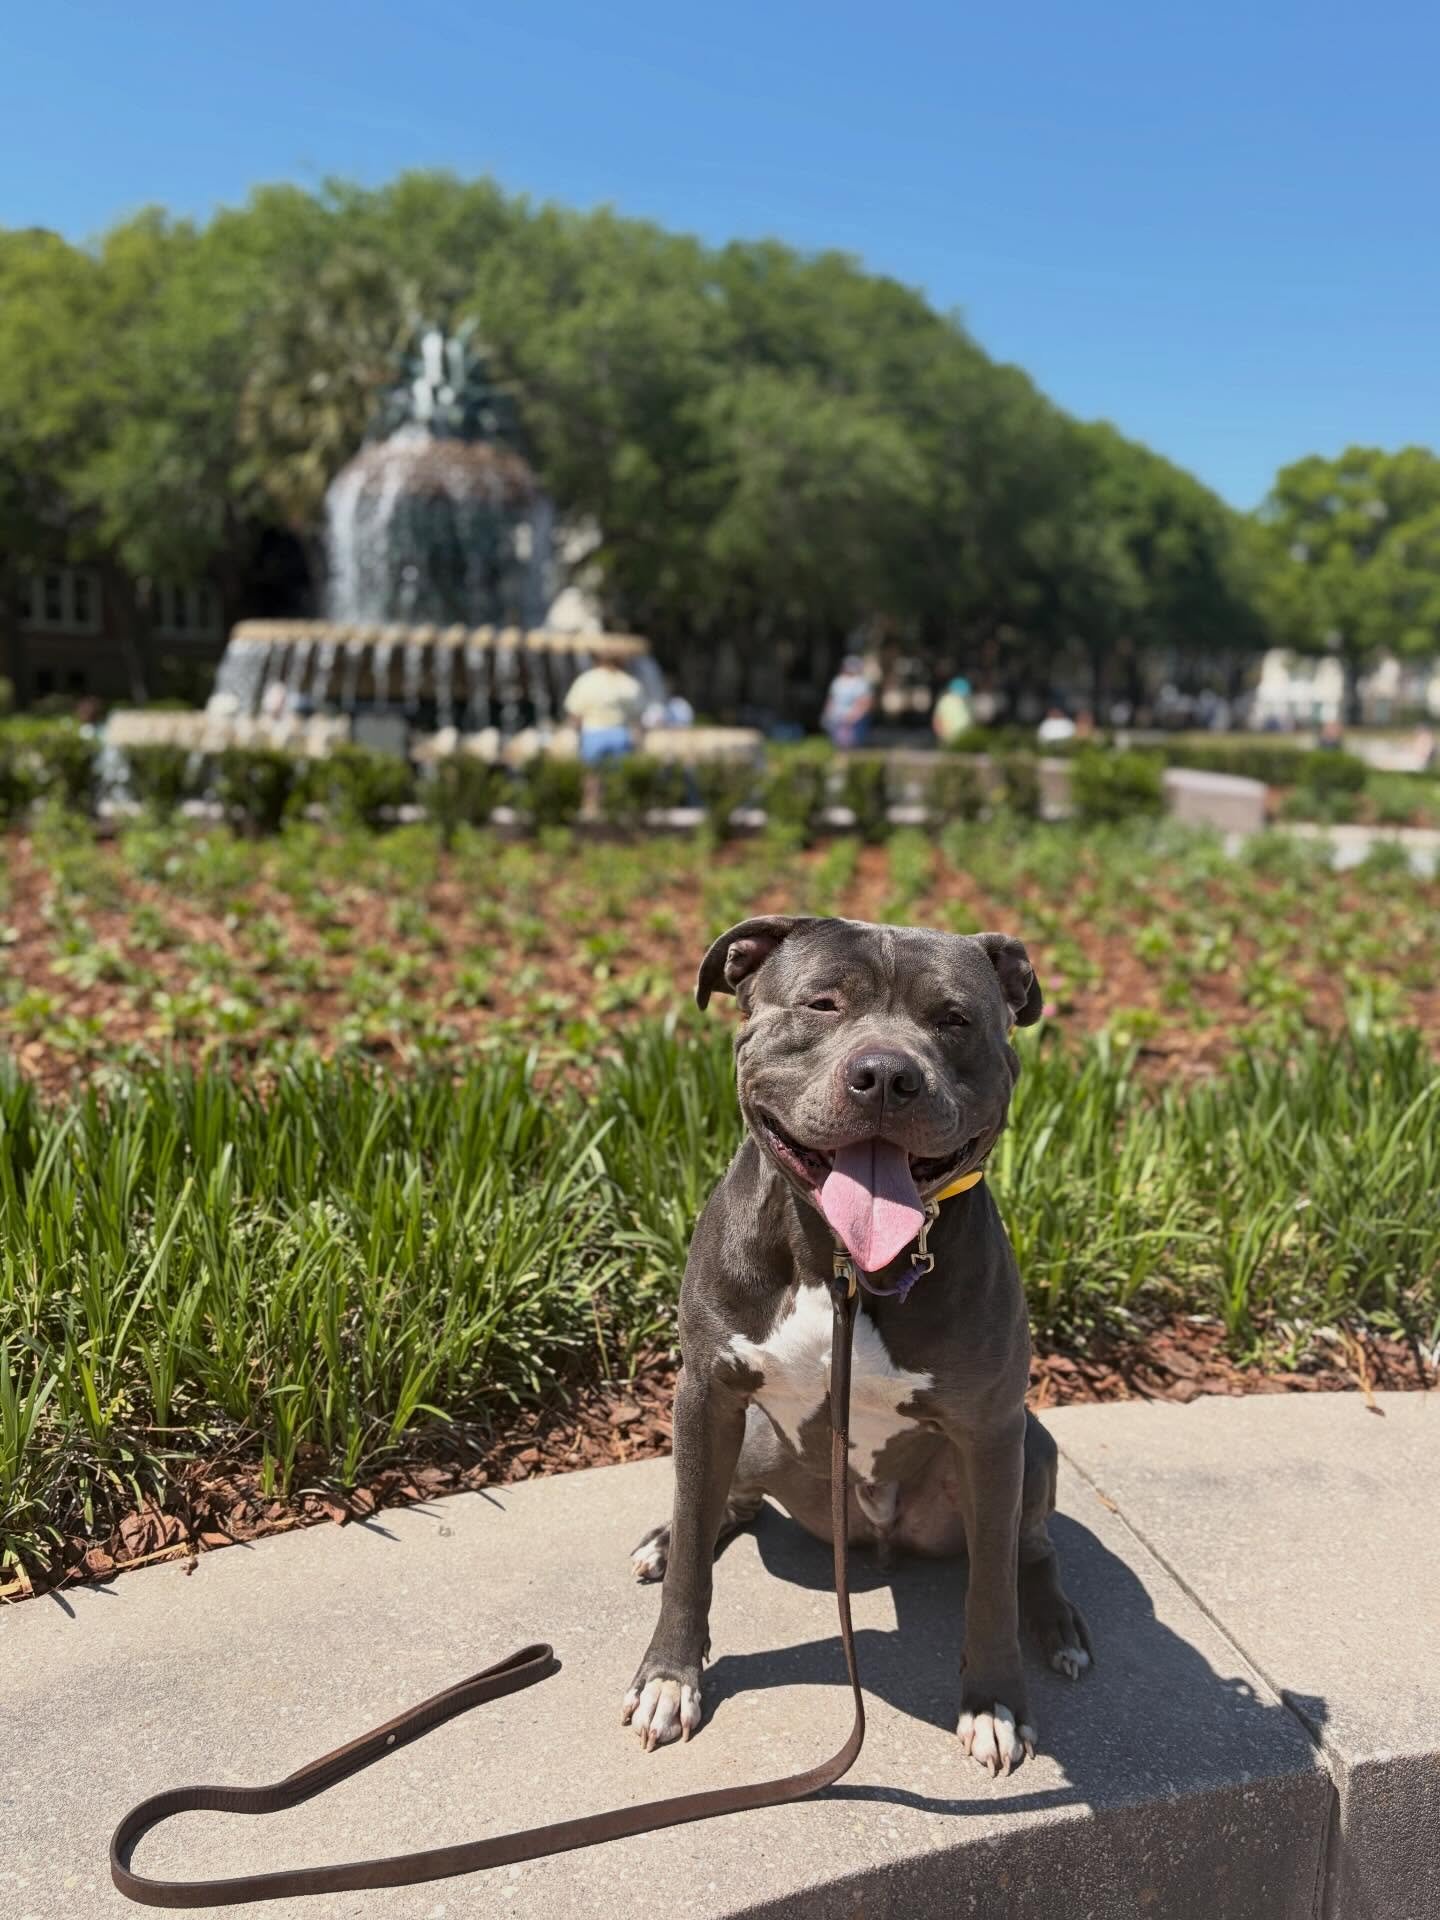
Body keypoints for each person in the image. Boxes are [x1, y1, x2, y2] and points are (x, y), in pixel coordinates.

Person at [563, 643, 646, 765]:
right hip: (620, 734)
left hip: (592, 734)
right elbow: (637, 717)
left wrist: (574, 737)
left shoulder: (586, 680)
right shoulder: (628, 682)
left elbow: (574, 715)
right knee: (619, 777)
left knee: (592, 777)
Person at [821, 655, 874, 749]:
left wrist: (853, 717)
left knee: (852, 746)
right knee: (837, 745)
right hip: (837, 719)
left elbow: (865, 702)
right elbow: (832, 699)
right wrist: (828, 714)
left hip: (854, 721)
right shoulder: (838, 681)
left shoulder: (861, 682)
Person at [931, 675, 973, 746]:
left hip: (964, 737)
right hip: (948, 738)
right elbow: (937, 720)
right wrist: (941, 735)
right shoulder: (946, 700)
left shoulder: (966, 701)